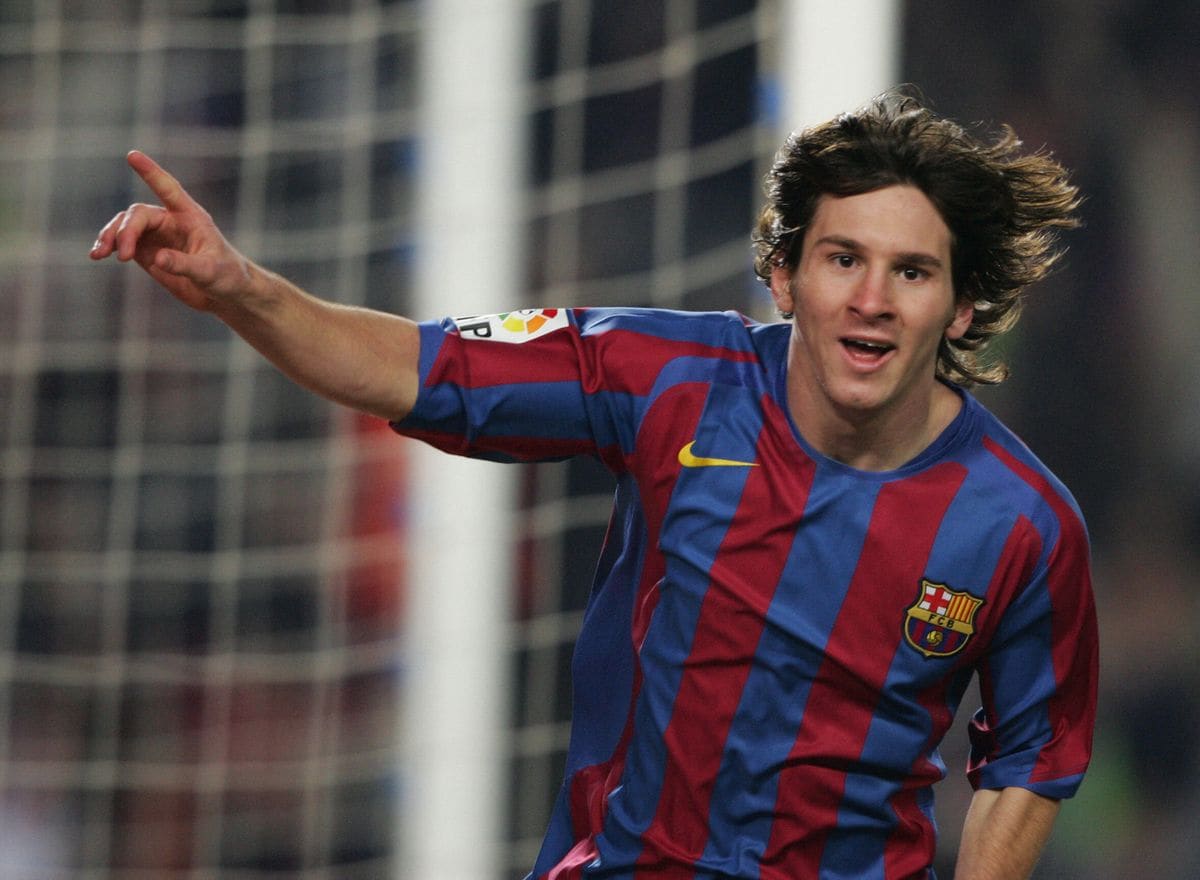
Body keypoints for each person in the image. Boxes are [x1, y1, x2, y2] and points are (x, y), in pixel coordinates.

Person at [91, 89, 1097, 880]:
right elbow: (414, 367)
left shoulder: (1023, 524)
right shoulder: (669, 376)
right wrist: (242, 287)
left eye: (912, 272)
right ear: (785, 276)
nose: (872, 299)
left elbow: (1027, 767)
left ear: (965, 307)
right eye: (843, 259)